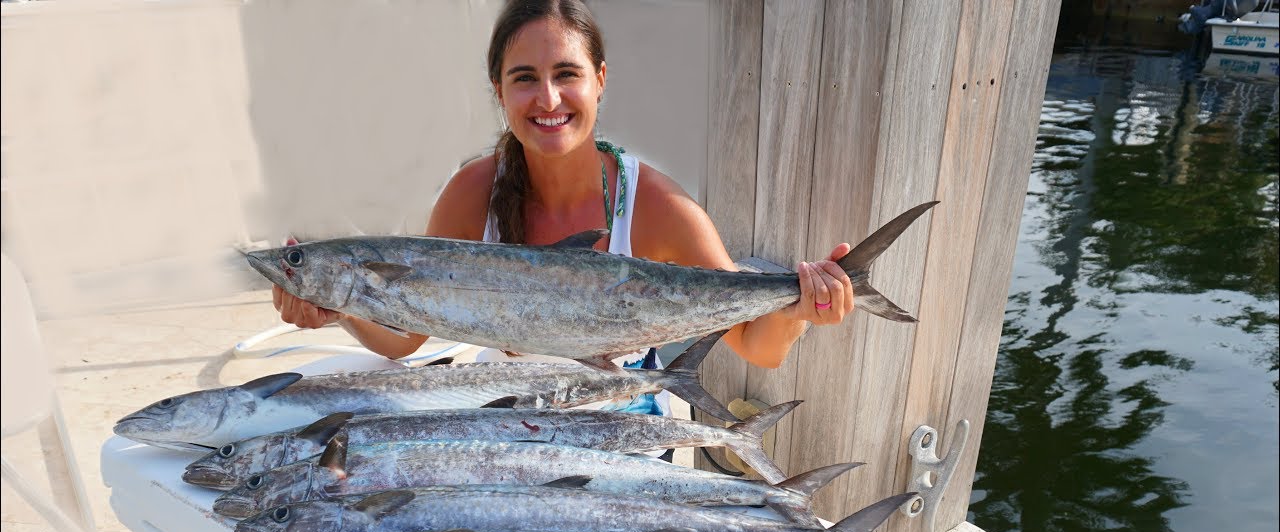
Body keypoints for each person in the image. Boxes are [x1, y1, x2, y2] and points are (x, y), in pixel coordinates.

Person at [273, 0, 857, 370]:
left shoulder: (657, 206)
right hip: (502, 413)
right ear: (499, 91)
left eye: (567, 74)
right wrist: (338, 308)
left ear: (600, 80)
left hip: (619, 424)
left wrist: (802, 308)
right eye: (525, 78)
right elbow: (405, 339)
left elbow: (756, 346)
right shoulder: (471, 192)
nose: (548, 99)